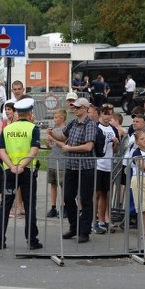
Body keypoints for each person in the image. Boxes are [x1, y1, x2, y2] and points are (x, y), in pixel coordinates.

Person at [0, 97, 42, 250]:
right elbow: (34, 150)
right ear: (29, 113)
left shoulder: (7, 129)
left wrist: (12, 166)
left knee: (5, 205)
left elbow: (1, 150)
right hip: (26, 172)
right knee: (29, 205)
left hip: (10, 173)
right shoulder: (33, 129)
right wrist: (21, 166)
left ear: (17, 113)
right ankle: (32, 240)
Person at [51, 97, 97, 243]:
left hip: (86, 167)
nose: (75, 109)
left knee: (85, 198)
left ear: (85, 108)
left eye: (77, 107)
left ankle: (84, 231)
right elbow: (63, 137)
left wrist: (70, 148)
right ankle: (74, 226)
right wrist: (52, 134)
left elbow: (88, 147)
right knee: (67, 196)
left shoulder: (90, 125)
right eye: (74, 107)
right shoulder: (73, 123)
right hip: (71, 165)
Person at [94, 104, 119, 235]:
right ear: (100, 114)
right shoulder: (96, 127)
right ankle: (93, 221)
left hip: (108, 165)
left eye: (110, 114)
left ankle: (102, 220)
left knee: (105, 193)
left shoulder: (113, 129)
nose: (107, 117)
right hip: (97, 164)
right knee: (96, 193)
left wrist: (116, 143)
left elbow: (115, 150)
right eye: (105, 114)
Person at [42, 108, 66, 218]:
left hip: (62, 160)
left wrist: (54, 138)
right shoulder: (54, 129)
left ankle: (64, 206)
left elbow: (64, 144)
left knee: (62, 185)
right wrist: (48, 142)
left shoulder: (65, 130)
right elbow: (50, 147)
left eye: (56, 117)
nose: (54, 119)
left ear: (62, 118)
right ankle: (53, 207)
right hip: (52, 159)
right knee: (53, 184)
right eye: (54, 117)